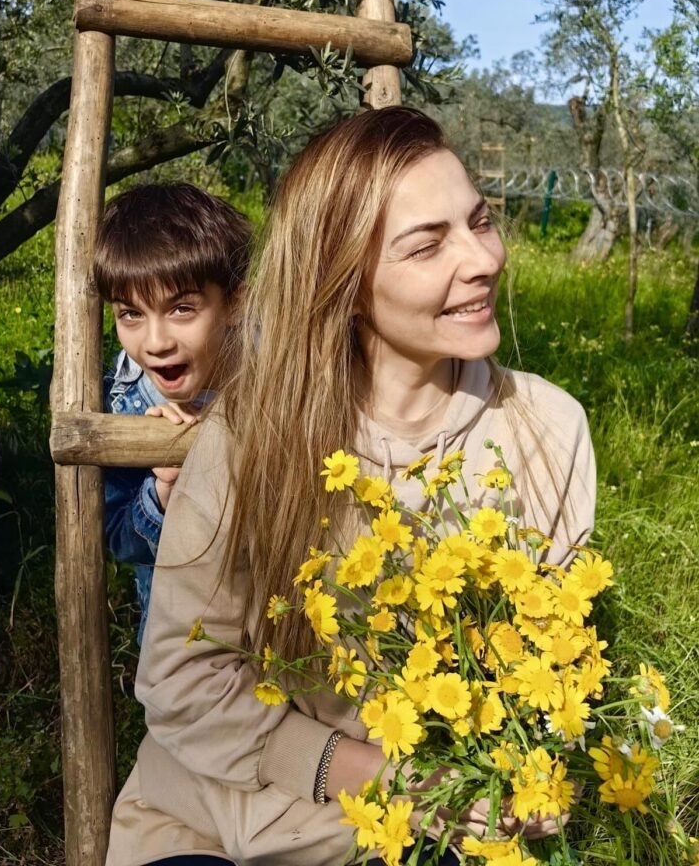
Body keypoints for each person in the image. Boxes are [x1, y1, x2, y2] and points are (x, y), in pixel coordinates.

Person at [105, 108, 596, 866]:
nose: (482, 259)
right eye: (428, 244)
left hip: (401, 842)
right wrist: (394, 779)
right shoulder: (253, 435)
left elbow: (551, 670)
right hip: (210, 815)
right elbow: (182, 681)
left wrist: (505, 782)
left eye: (480, 221)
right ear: (346, 282)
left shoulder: (547, 430)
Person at [92, 182, 252, 644]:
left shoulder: (274, 378)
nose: (156, 342)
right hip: (187, 644)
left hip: (282, 630)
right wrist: (163, 491)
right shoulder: (124, 403)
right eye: (130, 315)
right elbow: (119, 538)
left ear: (235, 303)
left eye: (181, 309)